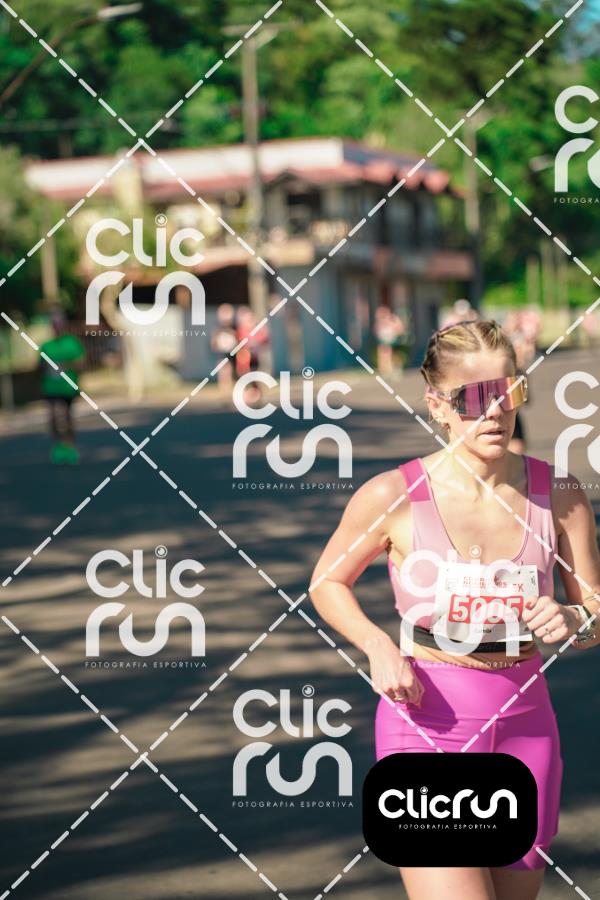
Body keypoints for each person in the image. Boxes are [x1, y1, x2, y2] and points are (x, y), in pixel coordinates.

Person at [310, 319, 600, 900]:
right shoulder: (393, 494)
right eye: (473, 398)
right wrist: (379, 646)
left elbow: (594, 608)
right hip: (427, 727)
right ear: (437, 405)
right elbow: (327, 581)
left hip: (526, 731)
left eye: (508, 391)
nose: (494, 412)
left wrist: (575, 619)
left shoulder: (560, 495)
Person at [39, 310, 85, 464]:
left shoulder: (72, 343)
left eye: (59, 324)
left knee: (68, 417)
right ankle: (57, 447)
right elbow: (40, 366)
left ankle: (70, 446)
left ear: (63, 325)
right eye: (54, 324)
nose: (56, 327)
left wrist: (64, 365)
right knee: (53, 417)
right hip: (51, 387)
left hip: (68, 386)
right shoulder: (46, 346)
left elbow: (81, 363)